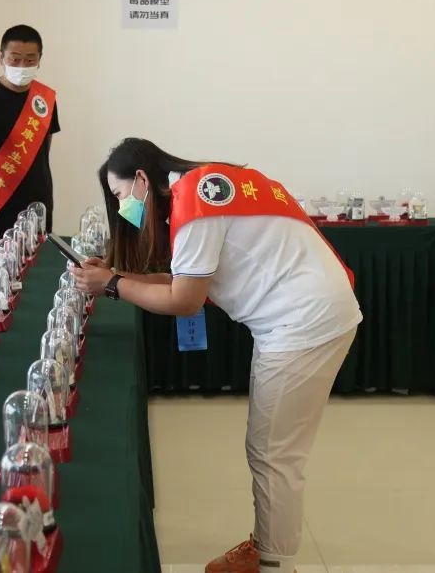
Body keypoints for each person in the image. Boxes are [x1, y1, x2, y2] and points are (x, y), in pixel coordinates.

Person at [70, 138, 363, 573]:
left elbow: (185, 300)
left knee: (273, 452)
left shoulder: (194, 198)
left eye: (119, 195)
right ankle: (266, 546)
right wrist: (115, 275)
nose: (121, 207)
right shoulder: (198, 188)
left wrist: (111, 285)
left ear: (142, 179)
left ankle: (274, 563)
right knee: (270, 445)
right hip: (305, 313)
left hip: (303, 321)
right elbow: (181, 279)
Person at [0, 24, 61, 270]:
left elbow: (44, 148)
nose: (22, 66)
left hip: (38, 202)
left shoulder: (45, 99)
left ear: (40, 59)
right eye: (15, 59)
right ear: (1, 57)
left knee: (36, 272)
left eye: (30, 60)